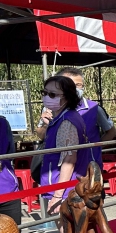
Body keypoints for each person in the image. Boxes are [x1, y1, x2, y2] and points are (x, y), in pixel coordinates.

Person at [37, 75, 98, 216]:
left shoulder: (66, 122)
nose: (47, 97)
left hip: (65, 189)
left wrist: (57, 195)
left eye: (52, 94)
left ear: (67, 97)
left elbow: (69, 159)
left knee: (67, 227)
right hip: (65, 184)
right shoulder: (65, 117)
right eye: (44, 93)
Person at [53, 69, 116, 166]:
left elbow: (111, 131)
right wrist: (45, 124)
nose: (74, 88)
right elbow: (41, 134)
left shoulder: (94, 109)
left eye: (78, 85)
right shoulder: (51, 108)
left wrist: (95, 148)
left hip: (88, 165)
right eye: (70, 84)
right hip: (58, 165)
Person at [0, 115, 21, 224]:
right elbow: (11, 153)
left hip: (7, 189)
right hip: (6, 186)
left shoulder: (2, 122)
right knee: (14, 230)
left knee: (13, 231)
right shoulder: (2, 122)